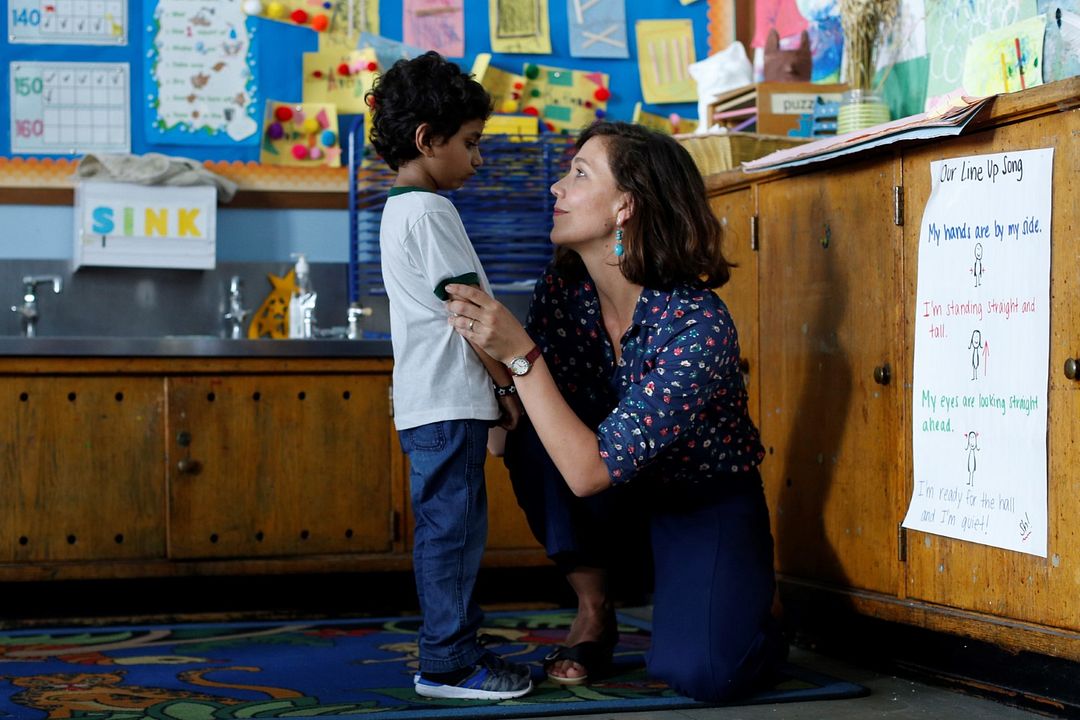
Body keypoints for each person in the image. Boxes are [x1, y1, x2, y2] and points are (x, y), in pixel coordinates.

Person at [443, 120, 787, 702]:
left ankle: (755, 607)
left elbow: (587, 470)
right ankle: (594, 609)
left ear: (625, 206)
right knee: (535, 426)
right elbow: (519, 436)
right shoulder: (565, 290)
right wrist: (494, 369)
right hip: (615, 504)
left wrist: (520, 355)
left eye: (579, 173)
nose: (557, 187)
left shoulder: (697, 326)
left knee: (704, 674)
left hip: (699, 501)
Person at [366, 51, 532, 700]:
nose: (478, 157)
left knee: (448, 531)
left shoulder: (401, 209)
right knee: (454, 536)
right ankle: (449, 664)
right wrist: (507, 385)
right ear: (426, 140)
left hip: (430, 402)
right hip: (449, 401)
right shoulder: (430, 213)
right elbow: (473, 313)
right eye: (469, 143)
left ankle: (452, 644)